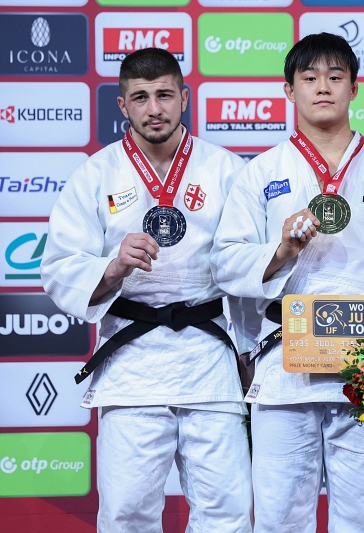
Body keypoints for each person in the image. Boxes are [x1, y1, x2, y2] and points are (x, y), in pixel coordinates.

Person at [210, 32, 364, 533]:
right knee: (279, 512)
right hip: (284, 363)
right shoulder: (261, 172)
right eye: (310, 78)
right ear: (289, 90)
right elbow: (226, 263)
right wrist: (280, 252)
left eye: (336, 77)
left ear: (354, 89)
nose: (323, 87)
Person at [40, 48, 253, 532]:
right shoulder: (96, 174)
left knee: (227, 511)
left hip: (208, 357)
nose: (154, 108)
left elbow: (248, 264)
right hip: (132, 362)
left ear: (184, 97)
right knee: (126, 512)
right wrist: (112, 267)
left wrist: (249, 348)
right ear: (122, 106)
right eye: (140, 97)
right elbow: (58, 267)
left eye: (163, 94)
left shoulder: (226, 170)